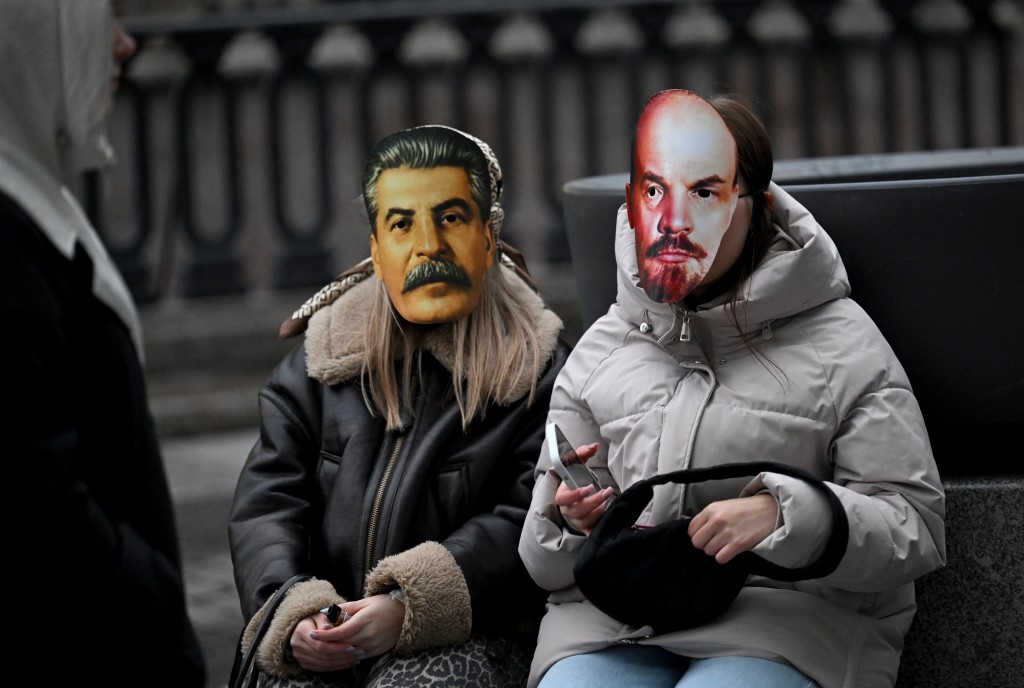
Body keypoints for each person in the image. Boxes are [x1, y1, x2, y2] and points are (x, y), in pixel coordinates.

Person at [517, 89, 946, 688]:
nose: (674, 220)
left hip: (784, 625)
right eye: (655, 191)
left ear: (757, 206)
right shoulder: (602, 349)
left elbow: (914, 527)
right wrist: (574, 522)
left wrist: (784, 514)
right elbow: (544, 564)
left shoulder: (843, 343)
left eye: (704, 193)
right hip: (614, 623)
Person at [229, 124, 571, 687]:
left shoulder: (540, 370)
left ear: (488, 239)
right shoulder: (321, 363)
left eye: (451, 218)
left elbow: (528, 516)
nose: (428, 245)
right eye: (402, 224)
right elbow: (268, 503)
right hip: (329, 629)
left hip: (475, 637)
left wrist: (409, 605)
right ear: (376, 250)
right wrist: (293, 611)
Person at [0, 2, 207, 687]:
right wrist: (147, 595)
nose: (123, 46)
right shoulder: (9, 241)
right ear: (30, 44)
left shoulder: (34, 208)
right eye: (100, 21)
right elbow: (40, 508)